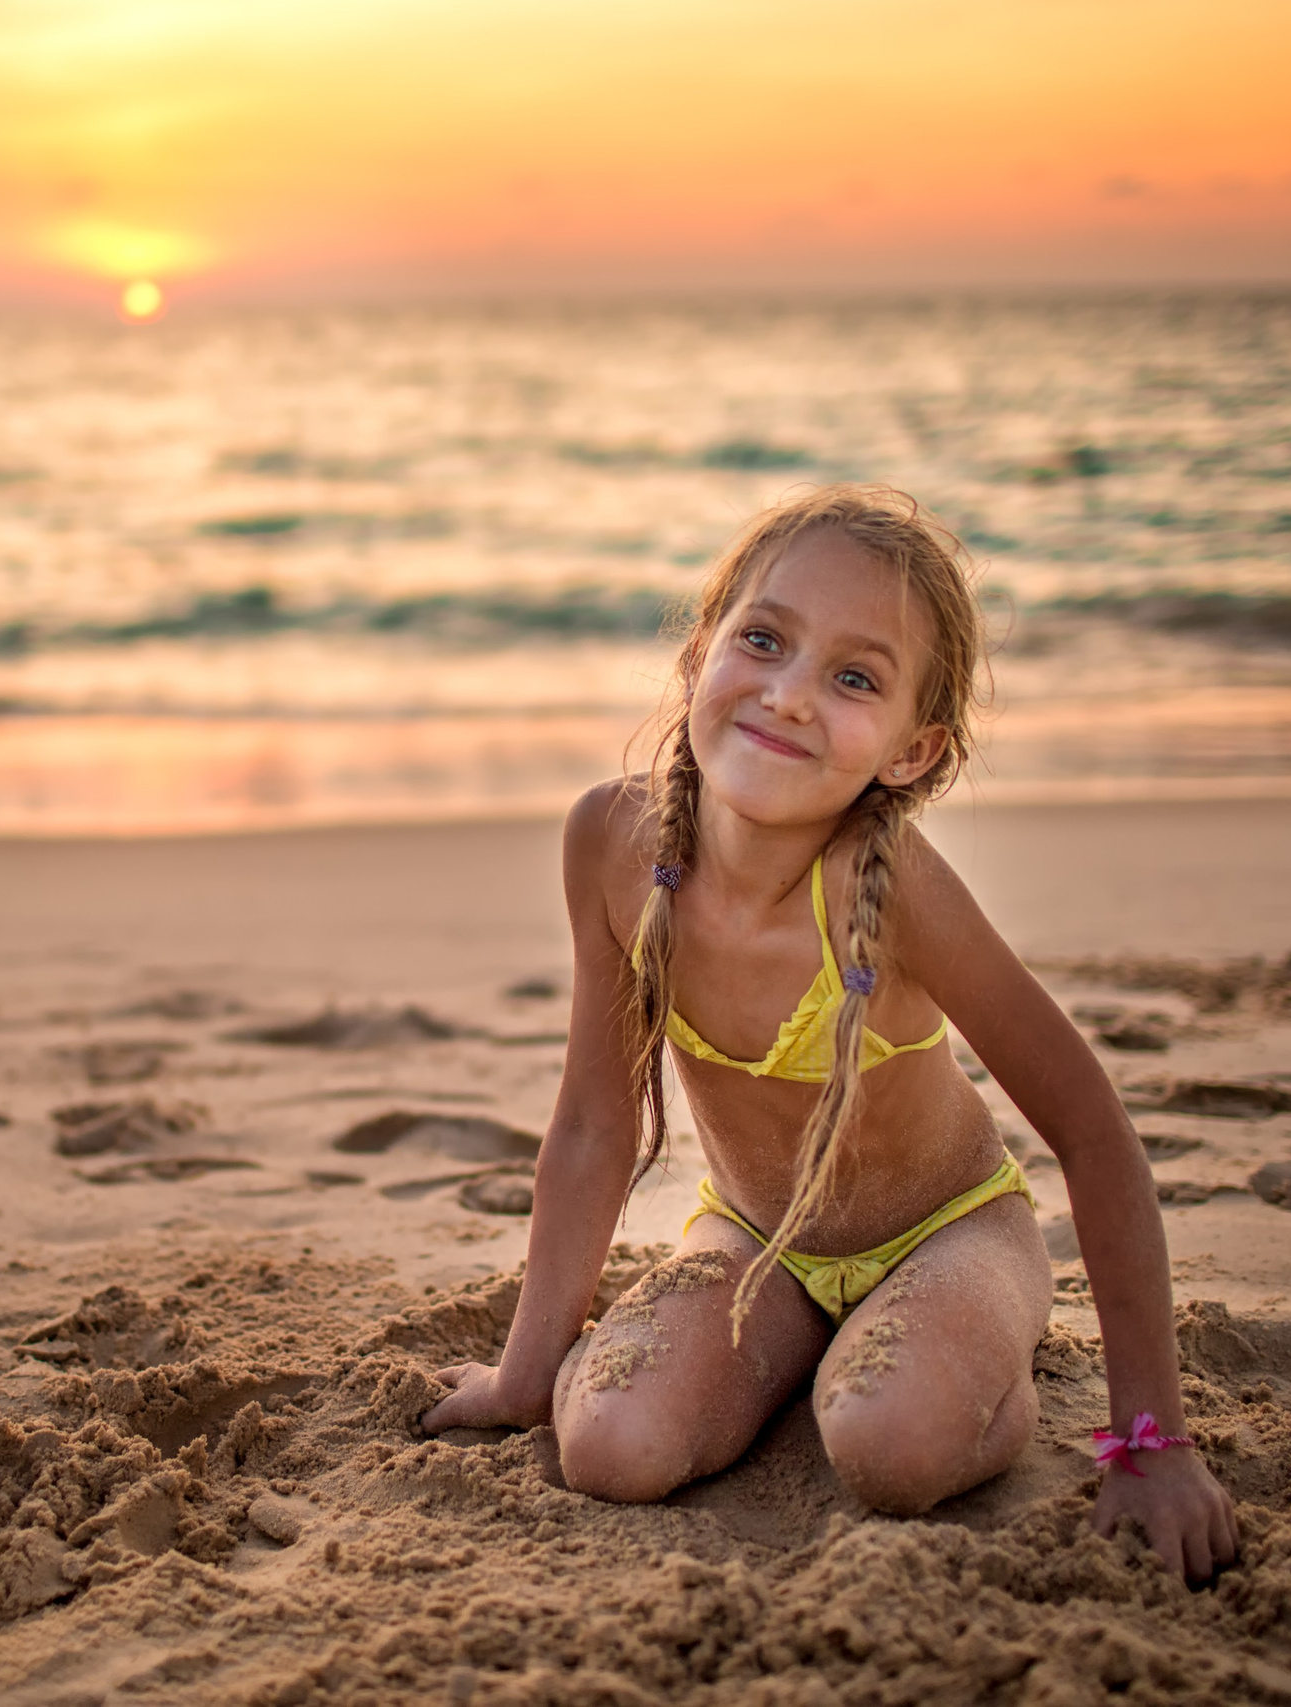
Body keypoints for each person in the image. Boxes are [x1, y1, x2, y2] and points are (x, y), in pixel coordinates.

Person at [420, 483, 1238, 1582]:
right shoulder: (609, 845)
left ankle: (965, 1363)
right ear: (698, 653)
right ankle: (797, 1349)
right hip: (757, 1240)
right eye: (762, 639)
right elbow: (590, 1125)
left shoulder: (895, 893)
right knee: (611, 1445)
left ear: (911, 750)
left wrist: (1155, 1446)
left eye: (854, 678)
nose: (789, 694)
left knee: (888, 1446)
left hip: (949, 1236)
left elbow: (1093, 1134)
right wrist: (525, 1377)